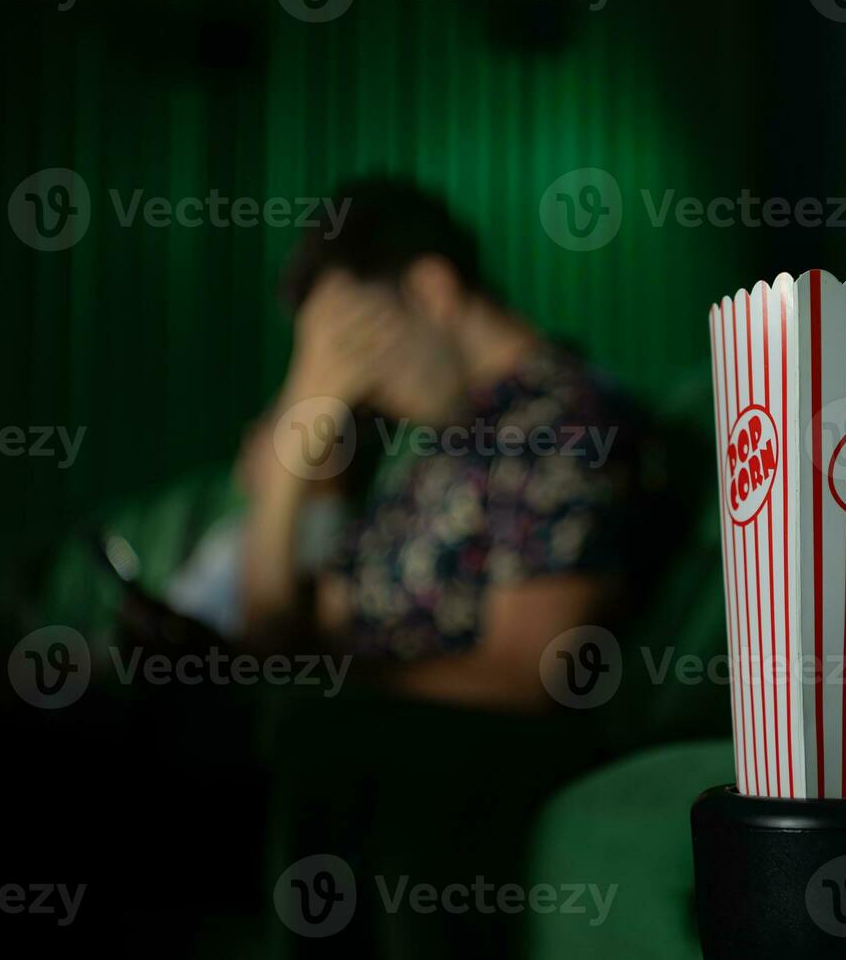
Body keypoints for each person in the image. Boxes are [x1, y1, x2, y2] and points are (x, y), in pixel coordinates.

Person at [239, 179, 641, 712]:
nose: (350, 389)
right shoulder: (442, 441)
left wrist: (310, 695)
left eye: (349, 348)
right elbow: (273, 628)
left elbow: (526, 681)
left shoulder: (565, 425)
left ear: (431, 290)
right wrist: (303, 420)